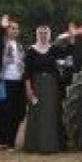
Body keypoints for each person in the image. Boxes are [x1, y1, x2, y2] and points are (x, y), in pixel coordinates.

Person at [23, 24, 62, 154]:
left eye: (45, 33)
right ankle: (33, 145)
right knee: (36, 114)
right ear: (37, 34)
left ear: (49, 35)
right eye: (41, 33)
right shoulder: (31, 50)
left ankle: (48, 146)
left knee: (49, 115)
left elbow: (68, 51)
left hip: (50, 85)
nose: (43, 35)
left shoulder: (53, 49)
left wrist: (72, 38)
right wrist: (29, 89)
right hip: (36, 85)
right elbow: (27, 72)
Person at [0, 16, 27, 150]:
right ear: (7, 31)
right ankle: (6, 142)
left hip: (19, 83)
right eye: (11, 28)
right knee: (6, 113)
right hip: (5, 82)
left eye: (16, 29)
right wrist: (2, 27)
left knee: (18, 112)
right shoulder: (2, 44)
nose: (14, 31)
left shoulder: (20, 46)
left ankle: (12, 140)